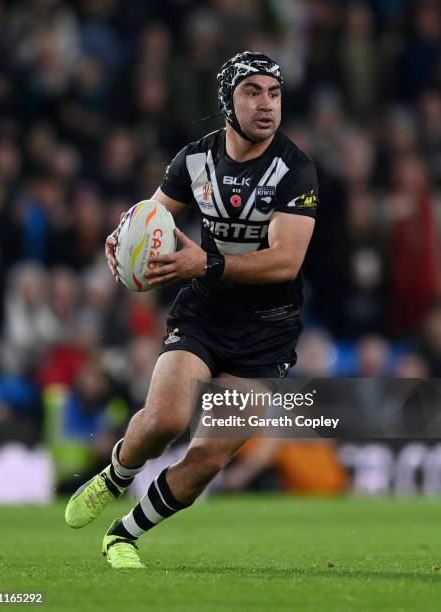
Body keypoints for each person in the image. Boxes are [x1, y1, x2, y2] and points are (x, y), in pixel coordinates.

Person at [65, 51, 318, 569]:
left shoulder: (296, 170)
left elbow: (286, 263)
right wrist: (124, 234)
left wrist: (205, 261)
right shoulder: (194, 160)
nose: (266, 104)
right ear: (228, 100)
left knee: (208, 456)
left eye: (274, 93)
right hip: (204, 314)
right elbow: (153, 214)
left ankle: (123, 536)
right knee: (166, 418)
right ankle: (115, 475)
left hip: (267, 332)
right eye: (253, 92)